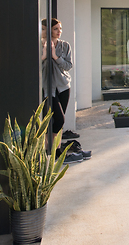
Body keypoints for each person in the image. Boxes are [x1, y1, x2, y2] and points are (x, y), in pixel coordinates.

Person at [42, 18, 90, 163]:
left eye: (60, 28)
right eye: (56, 29)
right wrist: (45, 55)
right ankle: (53, 150)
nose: (59, 32)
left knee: (59, 122)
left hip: (63, 86)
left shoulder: (65, 45)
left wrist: (55, 57)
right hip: (46, 88)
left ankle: (55, 151)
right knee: (57, 119)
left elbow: (68, 66)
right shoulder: (39, 45)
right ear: (48, 29)